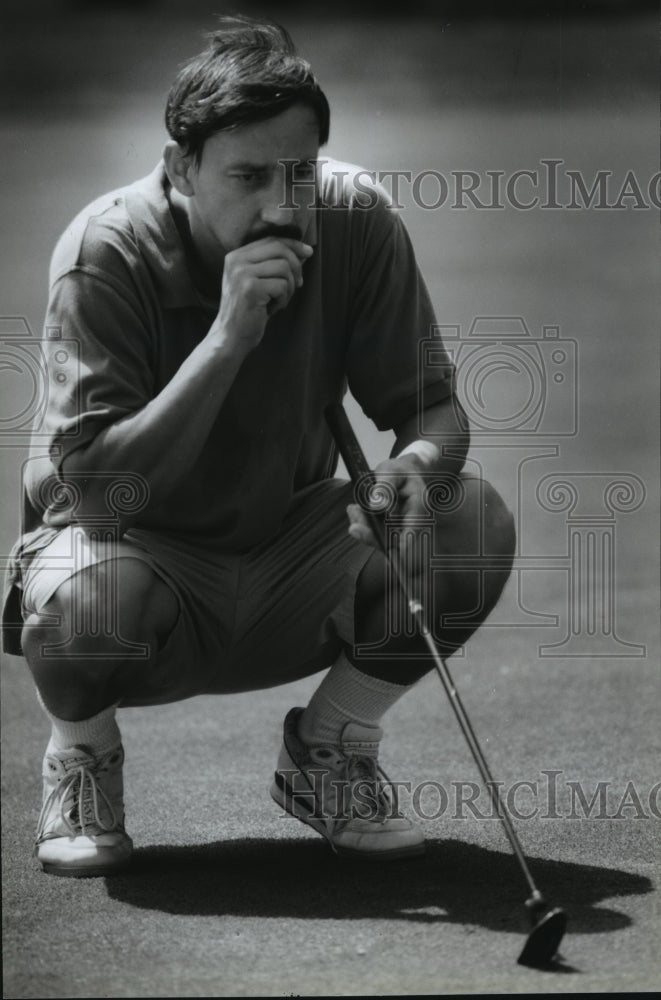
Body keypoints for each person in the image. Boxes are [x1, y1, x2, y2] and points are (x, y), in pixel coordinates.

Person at [2, 15, 515, 877]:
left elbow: (433, 415)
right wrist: (227, 339)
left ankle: (328, 748)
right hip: (134, 558)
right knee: (79, 603)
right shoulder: (106, 252)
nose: (282, 202)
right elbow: (95, 498)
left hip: (291, 547)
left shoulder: (355, 222)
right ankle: (82, 757)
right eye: (245, 174)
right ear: (180, 167)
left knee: (470, 520)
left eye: (300, 172)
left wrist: (415, 467)